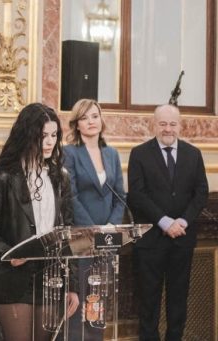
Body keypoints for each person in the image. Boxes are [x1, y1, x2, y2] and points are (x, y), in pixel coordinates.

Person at [0, 103, 79, 341]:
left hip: (50, 277)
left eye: (54, 135)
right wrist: (9, 253)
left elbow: (68, 233)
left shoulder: (60, 177)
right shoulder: (0, 176)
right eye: (43, 136)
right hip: (14, 279)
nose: (50, 142)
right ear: (27, 135)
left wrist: (72, 284)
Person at [127, 104, 209, 341]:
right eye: (162, 123)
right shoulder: (139, 153)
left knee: (178, 301)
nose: (168, 129)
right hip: (151, 241)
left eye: (173, 124)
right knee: (148, 302)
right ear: (154, 125)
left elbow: (201, 193)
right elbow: (137, 195)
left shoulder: (193, 154)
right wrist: (164, 222)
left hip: (182, 240)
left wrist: (182, 221)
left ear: (180, 126)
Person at [63, 99, 125, 340]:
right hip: (81, 239)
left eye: (95, 116)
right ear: (77, 125)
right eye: (85, 118)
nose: (91, 122)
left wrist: (110, 226)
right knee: (79, 301)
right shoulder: (69, 153)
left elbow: (121, 195)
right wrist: (92, 229)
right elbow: (71, 195)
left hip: (107, 240)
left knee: (97, 303)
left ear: (101, 120)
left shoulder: (112, 154)